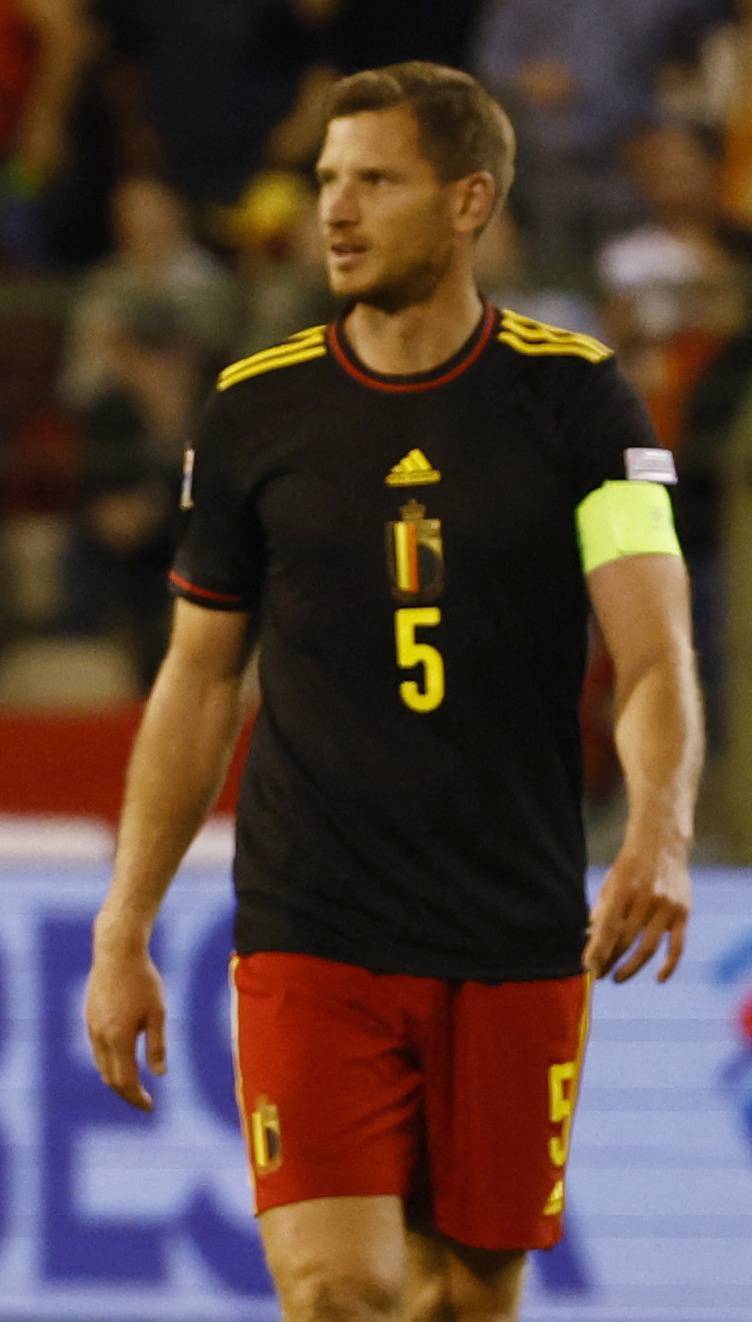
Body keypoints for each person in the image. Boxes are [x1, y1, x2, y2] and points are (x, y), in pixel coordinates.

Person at [82, 62, 703, 1322]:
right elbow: (199, 679)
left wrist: (662, 826)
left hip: (514, 919)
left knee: (467, 1297)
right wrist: (123, 924)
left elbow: (651, 652)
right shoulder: (257, 407)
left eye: (377, 180)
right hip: (316, 919)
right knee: (338, 1286)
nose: (337, 210)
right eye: (326, 180)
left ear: (470, 200)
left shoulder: (577, 397)